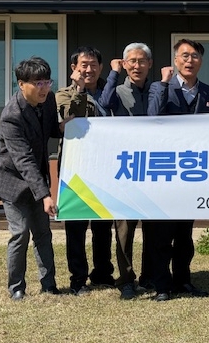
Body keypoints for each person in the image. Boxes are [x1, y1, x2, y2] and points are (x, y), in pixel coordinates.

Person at [147, 39, 209, 301]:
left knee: (184, 233)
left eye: (195, 56)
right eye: (185, 55)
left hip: (194, 172)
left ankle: (183, 280)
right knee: (162, 233)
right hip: (165, 171)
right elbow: (152, 116)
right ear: (176, 60)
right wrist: (164, 84)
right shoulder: (160, 87)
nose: (190, 61)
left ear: (201, 61)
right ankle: (162, 285)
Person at [0, 57, 65, 300]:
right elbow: (23, 159)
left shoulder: (48, 99)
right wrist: (45, 195)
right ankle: (16, 288)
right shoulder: (11, 116)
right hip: (11, 180)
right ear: (21, 84)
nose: (44, 88)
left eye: (47, 82)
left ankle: (49, 285)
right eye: (37, 83)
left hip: (36, 177)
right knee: (20, 233)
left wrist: (64, 127)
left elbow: (49, 129)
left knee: (43, 232)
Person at [56, 46, 115, 296]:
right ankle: (78, 278)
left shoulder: (111, 92)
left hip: (105, 167)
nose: (89, 69)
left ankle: (103, 272)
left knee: (103, 226)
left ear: (101, 67)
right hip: (75, 169)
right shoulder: (62, 94)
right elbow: (71, 121)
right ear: (74, 68)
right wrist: (80, 90)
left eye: (93, 65)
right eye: (84, 65)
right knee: (76, 227)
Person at [99, 42, 156, 300]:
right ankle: (126, 280)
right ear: (124, 64)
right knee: (124, 229)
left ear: (149, 64)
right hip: (125, 169)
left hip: (153, 168)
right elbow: (104, 102)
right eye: (132, 61)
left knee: (153, 227)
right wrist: (114, 72)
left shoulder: (156, 90)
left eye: (142, 61)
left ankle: (149, 276)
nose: (137, 65)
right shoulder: (117, 91)